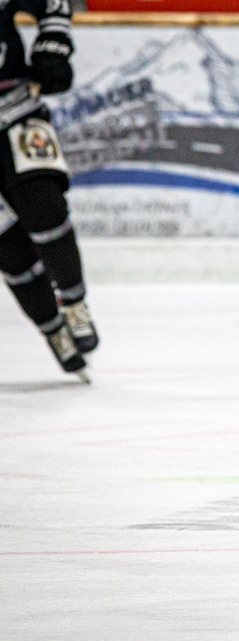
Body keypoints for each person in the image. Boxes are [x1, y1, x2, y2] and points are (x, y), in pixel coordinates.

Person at [0, 0, 98, 378]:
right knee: (8, 246)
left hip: (14, 107)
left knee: (45, 207)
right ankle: (53, 330)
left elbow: (52, 3)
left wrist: (52, 46)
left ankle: (74, 303)